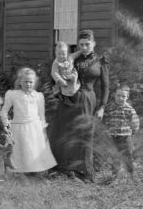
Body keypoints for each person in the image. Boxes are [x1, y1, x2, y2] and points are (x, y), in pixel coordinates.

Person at [49, 29, 110, 181]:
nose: (84, 47)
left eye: (87, 44)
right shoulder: (71, 58)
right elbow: (56, 72)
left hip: (87, 99)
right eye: (81, 44)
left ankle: (82, 171)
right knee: (63, 131)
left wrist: (102, 107)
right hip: (68, 98)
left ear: (93, 44)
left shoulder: (100, 60)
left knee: (84, 133)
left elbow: (106, 86)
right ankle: (62, 169)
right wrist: (57, 89)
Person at [2, 67, 57, 174]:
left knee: (33, 148)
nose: (28, 84)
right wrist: (6, 125)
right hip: (18, 126)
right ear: (20, 82)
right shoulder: (13, 94)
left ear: (34, 82)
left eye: (30, 82)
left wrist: (43, 128)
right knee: (19, 149)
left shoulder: (38, 96)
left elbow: (41, 114)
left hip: (34, 126)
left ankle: (34, 170)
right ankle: (19, 171)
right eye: (25, 82)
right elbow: (4, 111)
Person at [104, 87, 139, 178]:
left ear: (127, 97)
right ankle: (115, 175)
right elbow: (106, 120)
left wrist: (132, 133)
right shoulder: (110, 108)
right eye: (118, 95)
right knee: (114, 156)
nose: (120, 98)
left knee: (127, 156)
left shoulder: (129, 109)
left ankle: (131, 175)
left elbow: (135, 123)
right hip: (113, 136)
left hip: (125, 137)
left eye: (123, 96)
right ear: (114, 96)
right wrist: (107, 130)